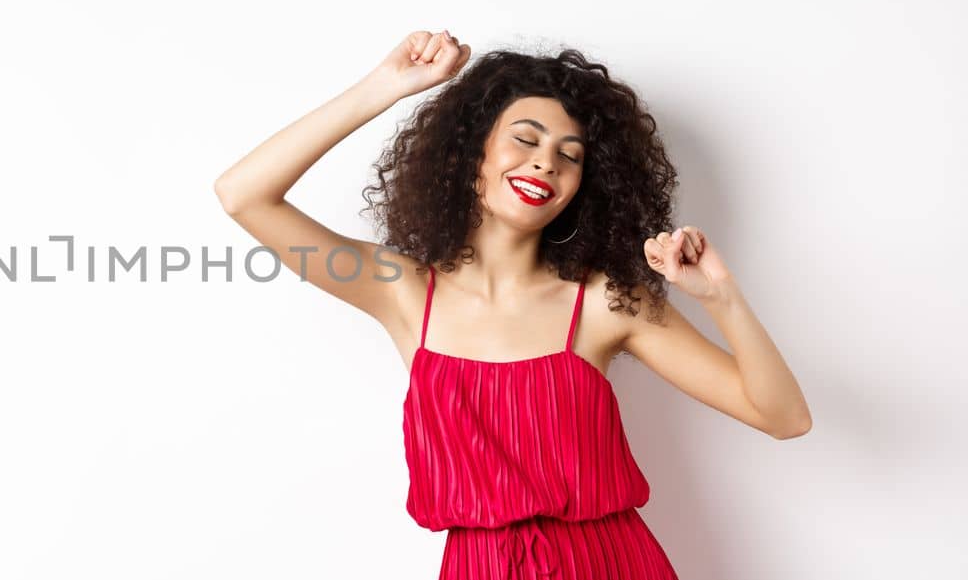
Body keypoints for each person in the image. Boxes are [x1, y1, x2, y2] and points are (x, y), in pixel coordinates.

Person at [212, 29, 812, 579]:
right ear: (471, 152)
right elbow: (243, 195)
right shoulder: (402, 291)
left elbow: (784, 418)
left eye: (570, 155)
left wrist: (722, 298)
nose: (546, 162)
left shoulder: (605, 302)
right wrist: (388, 86)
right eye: (525, 139)